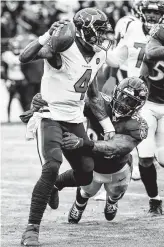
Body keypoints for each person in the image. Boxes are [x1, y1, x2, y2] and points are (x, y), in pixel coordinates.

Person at [19, 8, 115, 246]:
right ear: (84, 32)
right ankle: (31, 229)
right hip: (50, 114)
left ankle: (55, 185)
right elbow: (24, 56)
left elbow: (92, 94)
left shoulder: (98, 55)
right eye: (98, 32)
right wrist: (45, 36)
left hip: (74, 118)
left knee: (86, 173)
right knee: (51, 165)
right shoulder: (61, 47)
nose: (102, 38)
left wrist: (106, 125)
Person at [96, 0, 164, 199]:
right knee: (117, 138)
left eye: (156, 12)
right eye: (148, 12)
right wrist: (108, 74)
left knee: (156, 154)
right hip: (134, 95)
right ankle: (107, 183)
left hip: (154, 92)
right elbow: (118, 57)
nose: (151, 16)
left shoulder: (159, 32)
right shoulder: (130, 26)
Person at [58, 76, 149, 223]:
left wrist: (83, 143)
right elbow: (71, 105)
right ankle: (79, 205)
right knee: (87, 192)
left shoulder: (137, 125)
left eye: (131, 101)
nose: (124, 104)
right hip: (93, 166)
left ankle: (112, 202)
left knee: (115, 193)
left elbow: (114, 147)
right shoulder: (100, 103)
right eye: (123, 97)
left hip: (118, 168)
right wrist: (46, 103)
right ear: (116, 92)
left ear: (138, 105)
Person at [137, 22, 164, 216]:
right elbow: (150, 53)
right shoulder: (159, 31)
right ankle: (154, 200)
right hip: (149, 104)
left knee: (163, 158)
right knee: (145, 156)